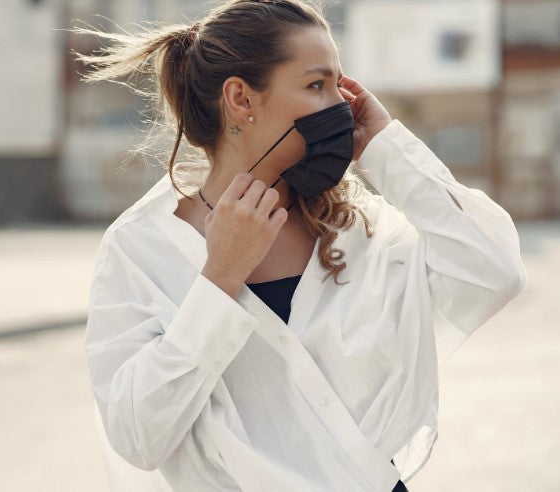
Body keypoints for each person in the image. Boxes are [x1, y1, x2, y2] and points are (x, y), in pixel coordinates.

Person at [75, 1, 526, 490]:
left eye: (340, 83)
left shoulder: (361, 225)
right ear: (241, 100)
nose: (341, 105)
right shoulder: (140, 248)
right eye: (317, 85)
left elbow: (495, 271)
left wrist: (389, 148)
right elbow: (138, 436)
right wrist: (219, 280)